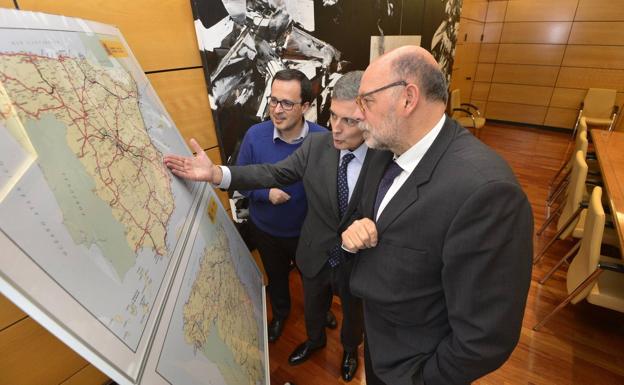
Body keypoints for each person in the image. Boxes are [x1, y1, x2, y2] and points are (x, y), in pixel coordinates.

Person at [340, 46, 533, 385]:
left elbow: (484, 338)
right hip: (378, 344)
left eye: (365, 101)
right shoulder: (382, 150)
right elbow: (365, 220)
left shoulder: (487, 193)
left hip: (415, 368)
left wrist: (422, 380)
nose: (358, 114)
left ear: (407, 99)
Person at [164, 71, 371, 382]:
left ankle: (350, 351)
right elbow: (269, 173)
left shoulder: (386, 157)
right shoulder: (317, 145)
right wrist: (217, 174)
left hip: (359, 262)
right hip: (314, 251)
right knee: (314, 306)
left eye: (349, 121)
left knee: (353, 314)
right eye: (334, 117)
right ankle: (314, 341)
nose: (336, 130)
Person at [227, 69, 327, 343]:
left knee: (315, 280)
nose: (277, 110)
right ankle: (281, 314)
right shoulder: (254, 135)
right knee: (277, 279)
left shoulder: (323, 138)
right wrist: (264, 193)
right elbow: (239, 178)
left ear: (305, 106)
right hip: (267, 231)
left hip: (309, 233)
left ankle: (320, 312)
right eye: (273, 100)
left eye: (287, 103)